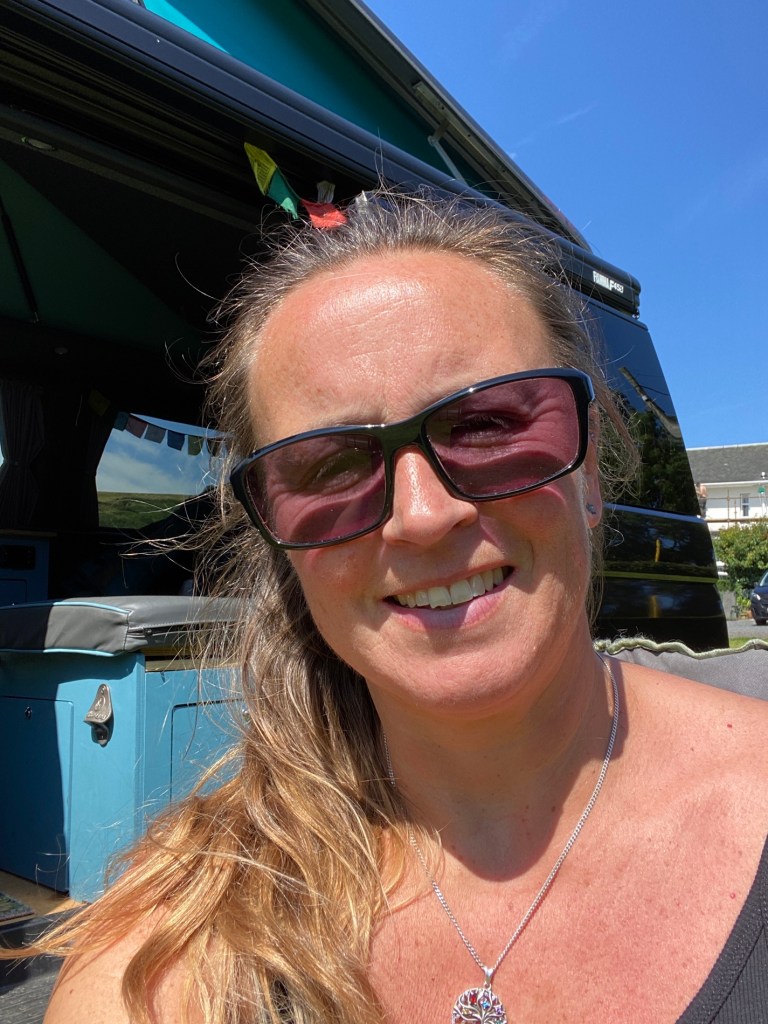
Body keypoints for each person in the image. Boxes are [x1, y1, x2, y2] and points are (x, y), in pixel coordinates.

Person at [40, 191, 767, 1024]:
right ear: (278, 539)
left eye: (485, 425)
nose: (422, 516)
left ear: (589, 471)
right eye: (330, 467)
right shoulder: (173, 940)